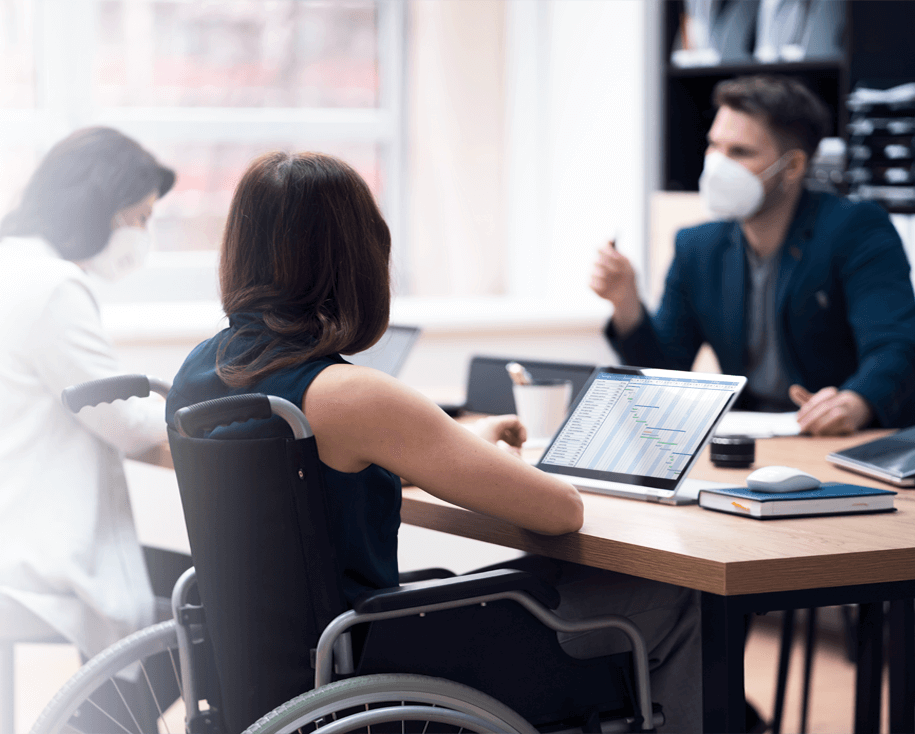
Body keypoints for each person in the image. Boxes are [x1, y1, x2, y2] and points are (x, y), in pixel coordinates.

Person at [167, 151, 702, 732]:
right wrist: (496, 460)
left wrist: (458, 444)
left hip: (282, 671)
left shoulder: (199, 375)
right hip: (378, 669)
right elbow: (561, 511)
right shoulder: (349, 394)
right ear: (359, 260)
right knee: (680, 597)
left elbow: (310, 487)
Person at [0, 127, 186, 668]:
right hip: (20, 549)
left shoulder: (0, 270)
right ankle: (96, 722)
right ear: (97, 209)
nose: (142, 235)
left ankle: (97, 720)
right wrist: (209, 409)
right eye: (137, 218)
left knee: (193, 595)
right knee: (217, 601)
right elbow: (126, 423)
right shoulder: (51, 288)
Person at [591, 74, 915, 435]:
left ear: (793, 167)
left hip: (868, 439)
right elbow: (666, 371)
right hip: (763, 440)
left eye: (740, 152)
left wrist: (854, 403)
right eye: (714, 146)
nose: (717, 164)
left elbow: (895, 348)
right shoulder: (696, 246)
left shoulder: (857, 228)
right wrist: (626, 303)